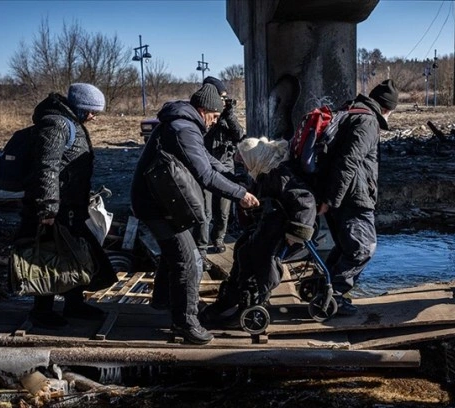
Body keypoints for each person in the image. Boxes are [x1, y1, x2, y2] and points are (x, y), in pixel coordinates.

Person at [130, 83, 259, 345]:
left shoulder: (184, 124)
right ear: (203, 110)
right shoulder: (184, 128)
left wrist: (234, 178)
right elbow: (205, 175)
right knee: (187, 259)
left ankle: (163, 302)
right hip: (155, 205)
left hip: (155, 200)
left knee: (173, 253)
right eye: (213, 116)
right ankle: (186, 324)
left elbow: (206, 160)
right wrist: (240, 195)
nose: (214, 122)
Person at [17, 83, 117, 328]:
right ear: (79, 107)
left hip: (70, 207)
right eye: (91, 111)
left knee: (76, 255)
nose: (94, 116)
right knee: (48, 258)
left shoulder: (70, 123)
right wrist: (48, 208)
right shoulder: (57, 124)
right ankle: (41, 311)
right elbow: (47, 167)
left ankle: (74, 303)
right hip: (53, 210)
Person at [199, 136, 316, 326]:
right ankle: (231, 297)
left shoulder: (282, 175)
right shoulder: (264, 173)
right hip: (270, 225)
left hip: (283, 231)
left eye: (246, 163)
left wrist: (296, 234)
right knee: (242, 249)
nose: (245, 168)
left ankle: (253, 299)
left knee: (259, 257)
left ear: (255, 159)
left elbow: (306, 202)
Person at [317, 79, 399, 315]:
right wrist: (332, 199)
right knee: (363, 249)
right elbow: (349, 161)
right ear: (386, 108)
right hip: (353, 198)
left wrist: (331, 198)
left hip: (343, 195)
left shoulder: (352, 112)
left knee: (346, 246)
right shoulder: (367, 122)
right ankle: (333, 297)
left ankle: (323, 288)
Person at [192, 76, 245, 271]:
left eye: (225, 98)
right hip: (205, 165)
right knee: (204, 213)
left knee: (223, 212)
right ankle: (202, 250)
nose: (223, 101)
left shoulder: (225, 116)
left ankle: (219, 238)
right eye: (221, 97)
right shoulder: (203, 114)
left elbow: (239, 135)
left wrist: (228, 114)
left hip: (225, 165)